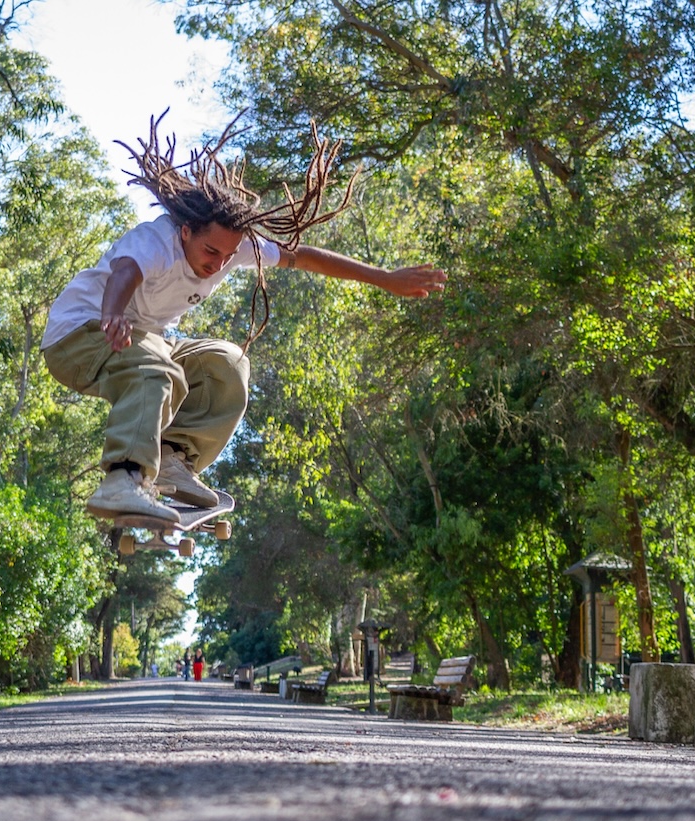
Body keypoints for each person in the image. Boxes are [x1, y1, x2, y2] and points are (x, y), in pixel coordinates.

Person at [41, 114, 446, 520]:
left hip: (140, 338)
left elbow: (299, 256)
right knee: (156, 368)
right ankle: (123, 479)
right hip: (79, 334)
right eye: (209, 253)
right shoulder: (158, 238)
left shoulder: (233, 247)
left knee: (226, 364)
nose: (217, 265)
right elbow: (126, 271)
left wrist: (383, 278)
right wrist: (114, 313)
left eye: (228, 255)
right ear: (186, 232)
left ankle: (171, 457)